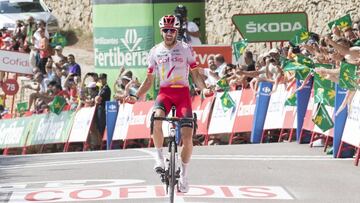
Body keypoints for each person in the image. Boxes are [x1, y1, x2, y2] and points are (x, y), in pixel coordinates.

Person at [125, 15, 211, 193]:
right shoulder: (155, 51)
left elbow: (195, 75)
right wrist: (137, 96)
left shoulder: (186, 49)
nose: (169, 33)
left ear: (177, 31)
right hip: (165, 93)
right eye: (166, 30)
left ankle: (185, 175)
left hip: (182, 94)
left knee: (187, 137)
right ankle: (159, 157)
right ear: (161, 31)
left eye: (172, 30)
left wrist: (203, 89)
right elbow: (149, 81)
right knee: (156, 119)